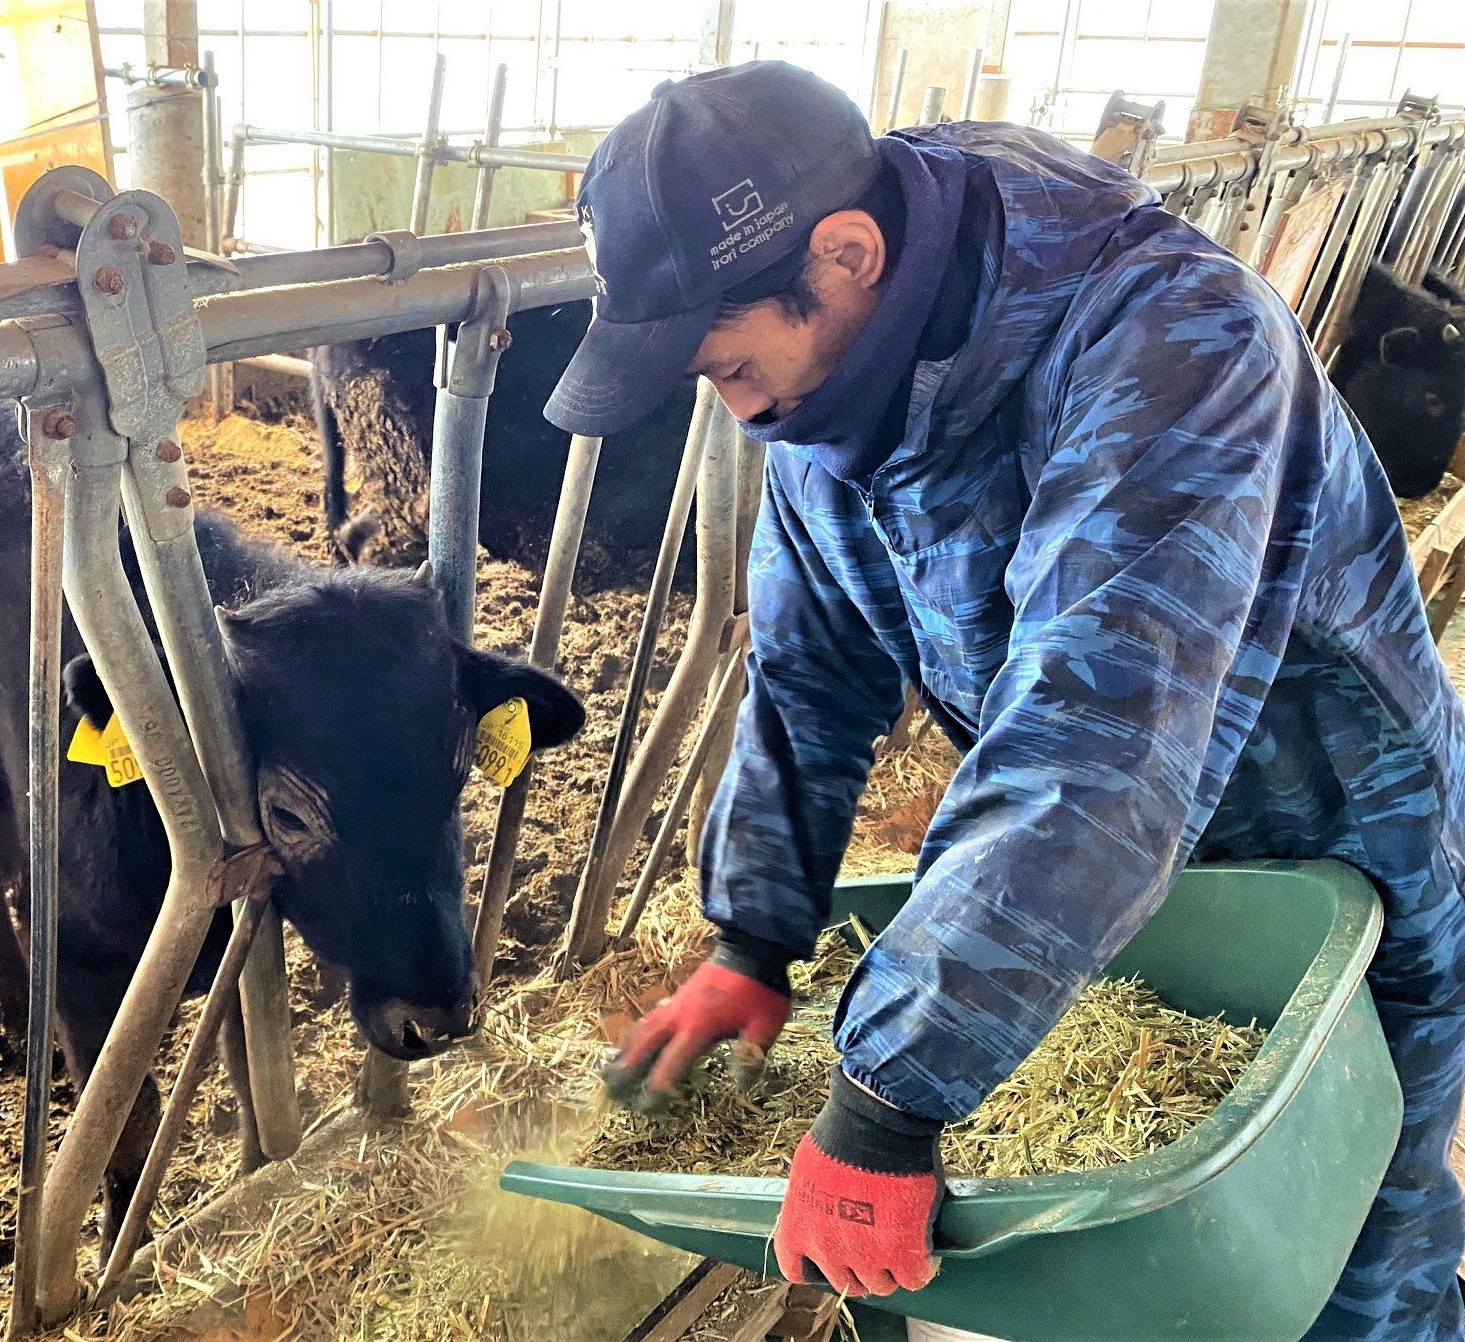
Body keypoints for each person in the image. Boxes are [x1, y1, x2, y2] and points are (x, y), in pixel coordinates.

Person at [547, 61, 1465, 1340]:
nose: (732, 400)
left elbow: (1096, 740)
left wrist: (886, 1101)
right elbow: (807, 680)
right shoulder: (828, 398)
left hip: (1327, 842)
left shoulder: (1170, 344)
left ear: (847, 255)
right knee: (1160, 1276)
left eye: (728, 359)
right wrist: (754, 937)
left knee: (1341, 1231)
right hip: (1093, 885)